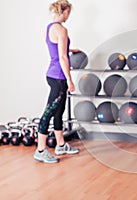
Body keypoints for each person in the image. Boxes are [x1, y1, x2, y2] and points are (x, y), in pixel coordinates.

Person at [34, 0, 80, 163]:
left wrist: (69, 50)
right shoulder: (62, 29)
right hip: (59, 77)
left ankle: (60, 144)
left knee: (58, 111)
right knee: (49, 112)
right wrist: (70, 80)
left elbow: (57, 51)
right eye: (69, 13)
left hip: (51, 74)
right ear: (65, 11)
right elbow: (61, 57)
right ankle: (40, 150)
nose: (68, 16)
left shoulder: (50, 28)